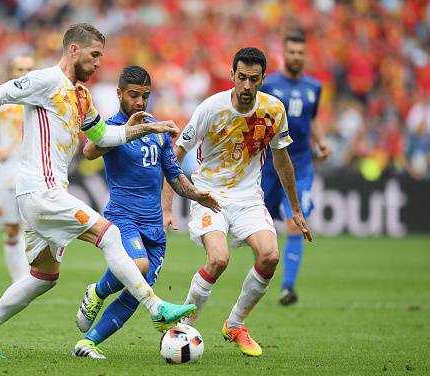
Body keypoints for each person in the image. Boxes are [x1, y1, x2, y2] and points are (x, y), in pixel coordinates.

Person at [0, 23, 196, 358]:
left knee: (43, 277)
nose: (98, 63)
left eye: (101, 56)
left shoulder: (82, 96)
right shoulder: (46, 81)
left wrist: (147, 128)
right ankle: (156, 308)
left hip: (42, 195)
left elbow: (104, 139)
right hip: (43, 191)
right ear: (73, 50)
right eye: (94, 55)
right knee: (109, 235)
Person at [162, 47, 312, 357]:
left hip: (247, 197)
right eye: (241, 78)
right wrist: (166, 207)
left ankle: (235, 323)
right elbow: (174, 157)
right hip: (208, 194)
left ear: (262, 79)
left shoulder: (273, 110)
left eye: (253, 79)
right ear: (232, 76)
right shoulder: (210, 108)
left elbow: (283, 161)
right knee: (219, 259)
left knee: (270, 255)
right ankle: (184, 326)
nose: (246, 86)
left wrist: (295, 209)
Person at [72, 65, 221, 359]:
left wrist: (196, 194)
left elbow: (174, 174)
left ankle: (88, 343)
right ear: (119, 94)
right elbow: (89, 151)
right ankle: (97, 292)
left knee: (135, 292)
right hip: (122, 217)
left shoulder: (158, 130)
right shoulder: (111, 128)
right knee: (136, 266)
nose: (140, 103)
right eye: (133, 95)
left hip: (155, 228)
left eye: (145, 96)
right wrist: (129, 131)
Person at [260, 30, 330, 305]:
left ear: (305, 55)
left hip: (300, 165)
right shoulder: (269, 85)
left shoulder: (314, 87)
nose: (296, 56)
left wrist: (322, 141)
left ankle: (288, 287)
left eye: (300, 52)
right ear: (284, 53)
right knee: (260, 225)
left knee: (294, 222)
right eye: (291, 52)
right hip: (270, 166)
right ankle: (263, 272)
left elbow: (313, 119)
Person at [0, 55, 35, 283]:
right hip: (7, 172)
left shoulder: (41, 98)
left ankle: (32, 278)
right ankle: (19, 281)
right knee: (12, 228)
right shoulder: (3, 99)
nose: (23, 73)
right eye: (19, 69)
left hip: (33, 171)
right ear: (12, 72)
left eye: (28, 69)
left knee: (34, 227)